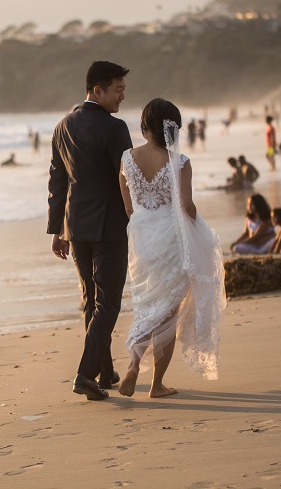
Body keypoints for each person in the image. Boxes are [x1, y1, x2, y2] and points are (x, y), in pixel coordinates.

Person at [117, 98, 226, 398]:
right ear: (172, 127)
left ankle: (133, 364)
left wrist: (145, 223)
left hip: (141, 240)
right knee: (168, 313)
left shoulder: (127, 158)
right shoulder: (179, 161)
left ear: (144, 126)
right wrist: (200, 229)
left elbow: (128, 207)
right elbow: (186, 206)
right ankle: (156, 385)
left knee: (147, 305)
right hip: (172, 239)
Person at [48, 60, 133, 401]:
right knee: (108, 302)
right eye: (118, 90)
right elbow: (126, 177)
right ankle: (85, 373)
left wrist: (57, 229)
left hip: (75, 226)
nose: (122, 97)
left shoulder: (62, 126)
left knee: (91, 300)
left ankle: (104, 369)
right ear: (97, 91)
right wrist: (138, 216)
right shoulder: (115, 128)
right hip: (110, 225)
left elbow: (57, 180)